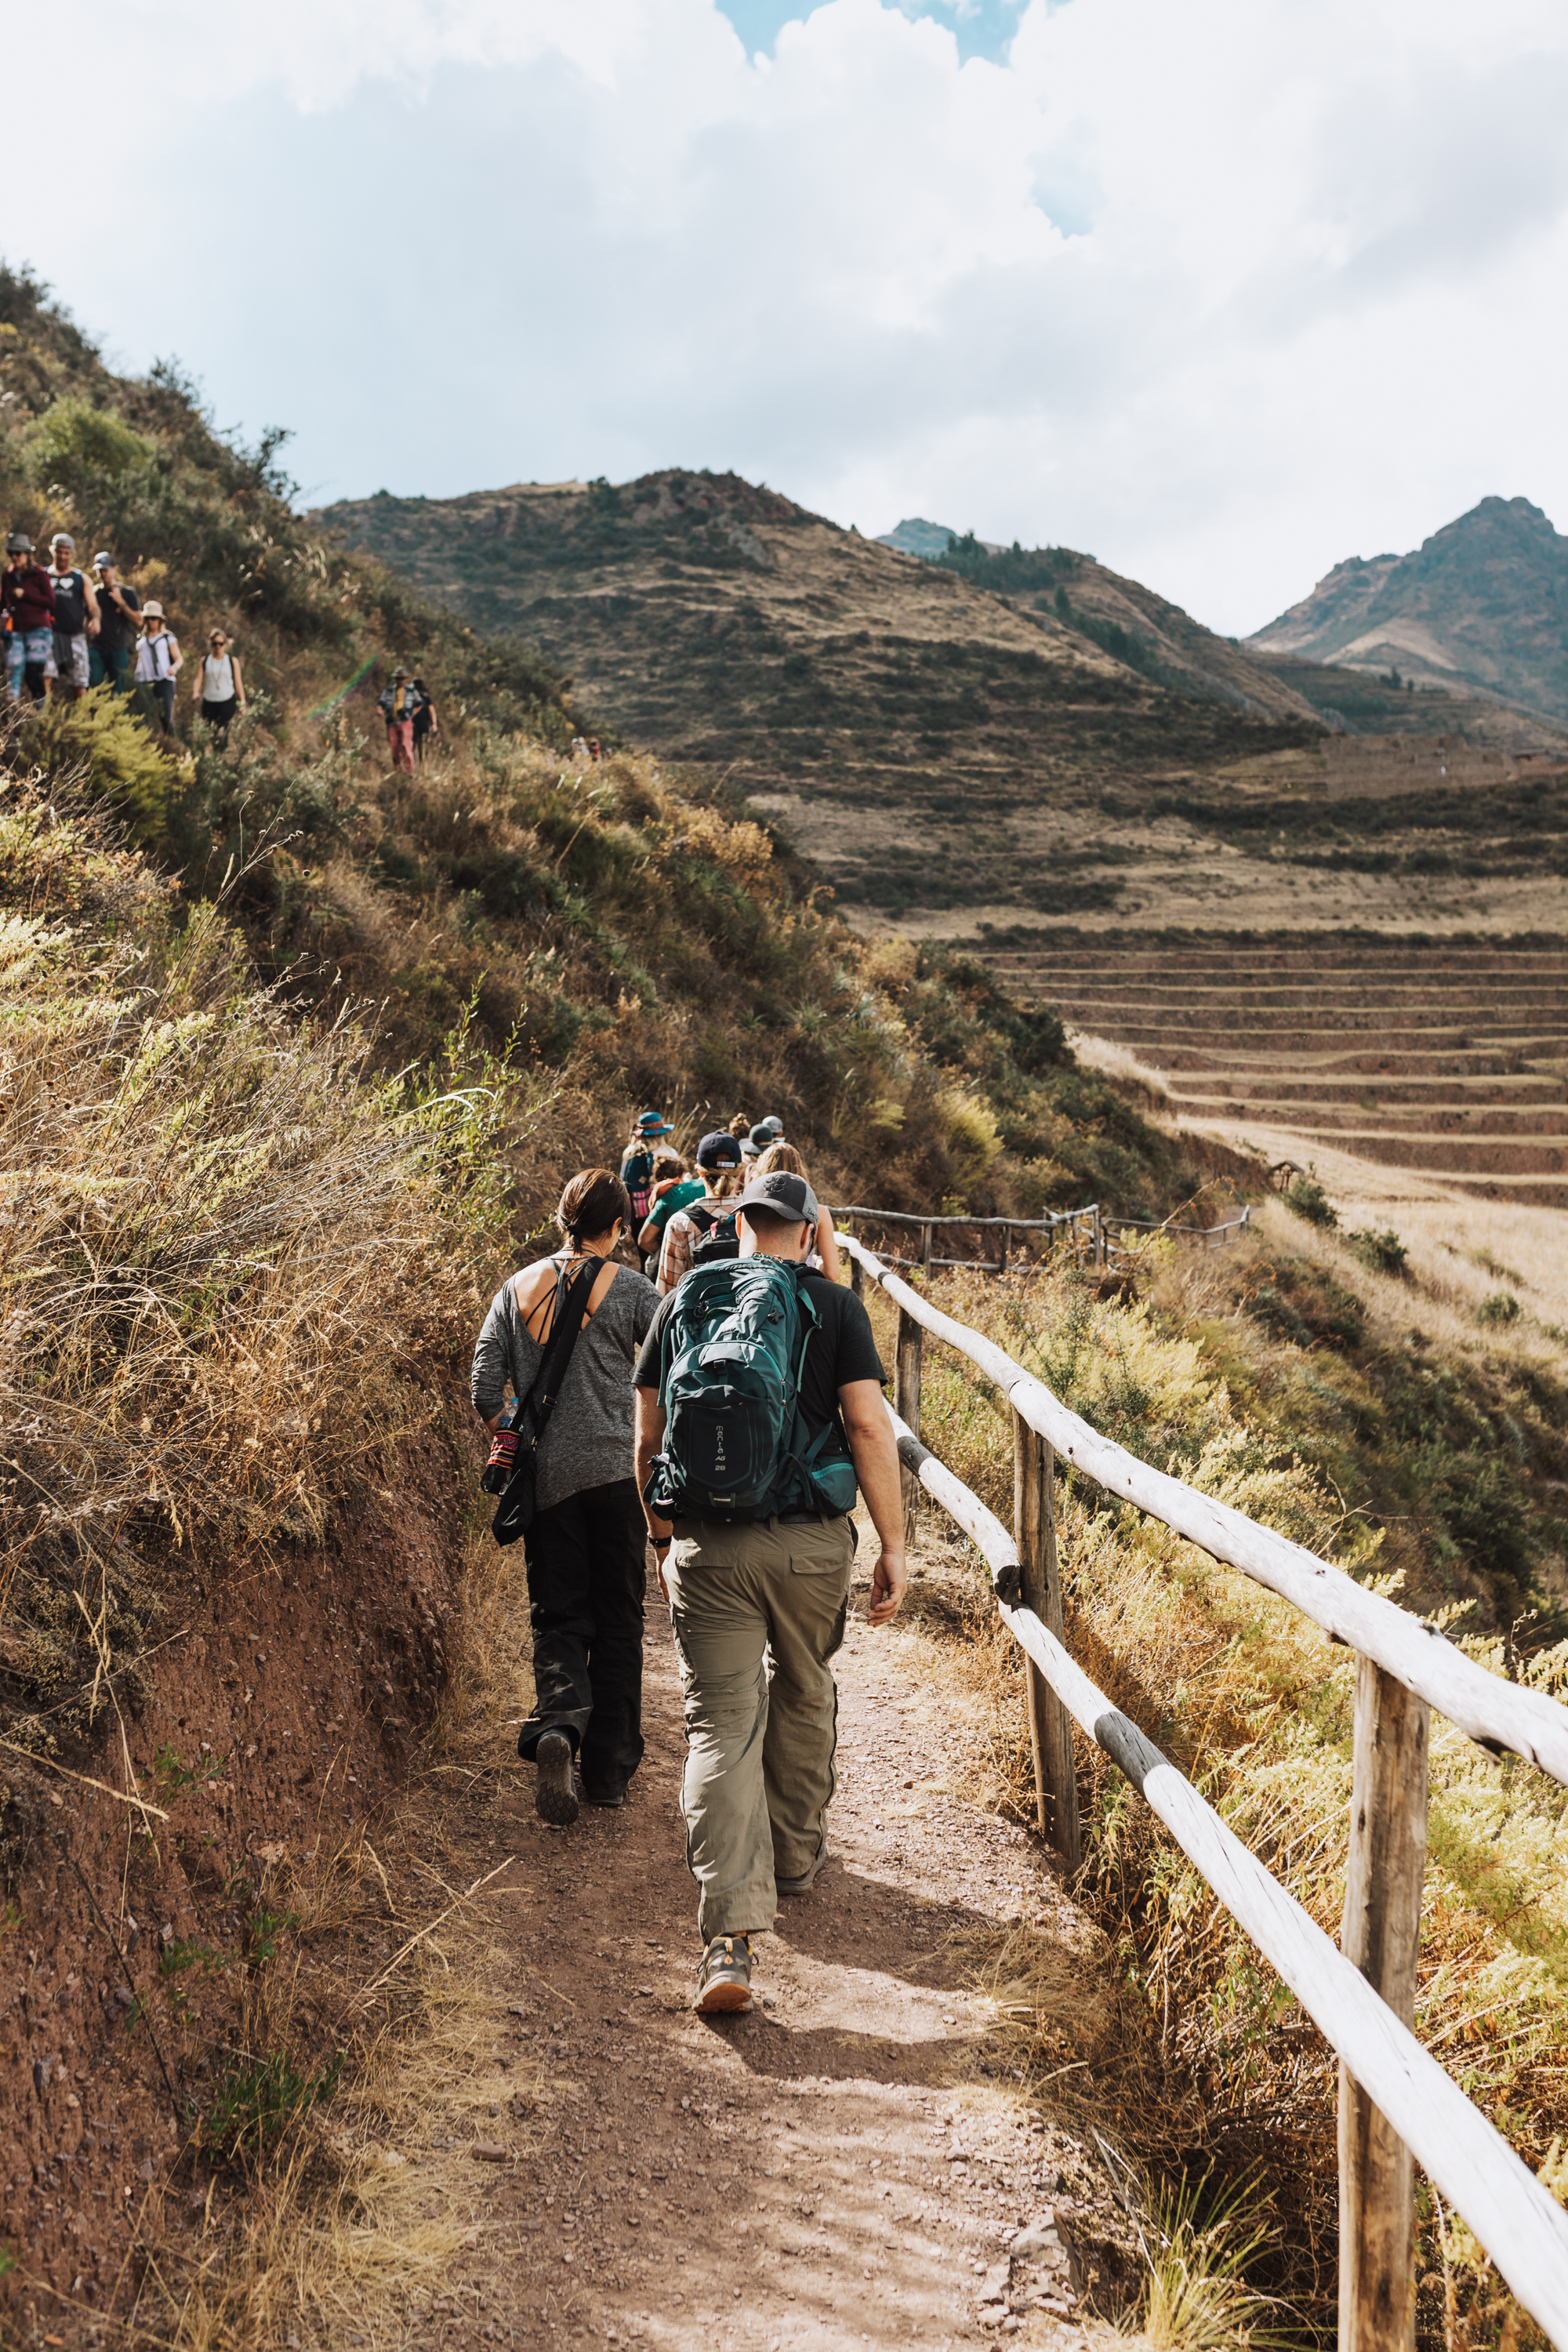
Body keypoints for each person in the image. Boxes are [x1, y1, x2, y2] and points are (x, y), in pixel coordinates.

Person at [633, 1164, 908, 2013]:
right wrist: (893, 1545)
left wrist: (659, 1531)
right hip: (807, 1547)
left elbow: (646, 1429)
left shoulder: (685, 1297)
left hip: (709, 1545)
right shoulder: (834, 1306)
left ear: (741, 1223)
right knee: (804, 1683)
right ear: (805, 1229)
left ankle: (728, 1939)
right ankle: (792, 1857)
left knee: (718, 1722)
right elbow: (865, 1424)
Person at [470, 1170, 660, 1824]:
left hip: (548, 1480)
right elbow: (669, 1364)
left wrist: (512, 1438)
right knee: (618, 1620)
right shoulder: (635, 1290)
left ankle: (558, 1726)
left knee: (558, 1616)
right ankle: (607, 1773)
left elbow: (483, 1384)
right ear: (619, 1229)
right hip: (613, 1476)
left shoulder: (515, 1289)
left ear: (560, 1220)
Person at [656, 1129, 744, 1294]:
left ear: (700, 1172)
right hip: (751, 1317)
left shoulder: (681, 1223)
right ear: (739, 1172)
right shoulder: (755, 1215)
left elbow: (667, 1293)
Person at [752, 1141, 840, 1281]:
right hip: (801, 1287)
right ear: (799, 1168)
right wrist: (818, 1265)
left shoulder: (751, 1208)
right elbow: (832, 1274)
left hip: (757, 1283)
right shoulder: (819, 1212)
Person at [2, 535, 56, 702]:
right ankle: (11, 708)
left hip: (38, 630)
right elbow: (3, 602)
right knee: (14, 668)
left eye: (18, 553)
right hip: (16, 630)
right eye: (12, 553)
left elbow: (51, 602)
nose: (15, 557)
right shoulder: (7, 575)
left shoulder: (39, 575)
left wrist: (26, 595)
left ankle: (41, 712)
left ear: (27, 554)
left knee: (33, 673)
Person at [46, 532, 99, 701]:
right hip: (48, 635)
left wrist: (95, 619)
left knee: (79, 684)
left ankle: (82, 723)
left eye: (66, 553)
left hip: (75, 637)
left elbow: (93, 606)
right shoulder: (42, 576)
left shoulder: (81, 579)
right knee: (45, 678)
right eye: (59, 551)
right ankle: (42, 720)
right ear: (52, 550)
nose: (62, 556)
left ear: (72, 554)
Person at [637, 1149, 703, 1267]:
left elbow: (644, 1241)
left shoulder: (661, 1199)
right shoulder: (694, 1191)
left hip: (672, 1262)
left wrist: (665, 1253)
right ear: (681, 1175)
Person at [88, 554, 140, 694]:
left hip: (118, 649)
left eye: (106, 570)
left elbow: (138, 621)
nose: (102, 573)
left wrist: (121, 603)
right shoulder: (93, 593)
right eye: (99, 570)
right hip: (96, 648)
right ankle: (93, 716)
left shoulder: (127, 592)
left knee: (118, 691)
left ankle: (116, 716)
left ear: (115, 569)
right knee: (93, 686)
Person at [619, 1111, 673, 1231]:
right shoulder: (667, 1153)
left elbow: (622, 1180)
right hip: (662, 1211)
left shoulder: (630, 1152)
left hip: (637, 1211)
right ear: (662, 1134)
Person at [134, 602, 180, 732]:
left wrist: (175, 667)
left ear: (160, 620)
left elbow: (178, 658)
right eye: (147, 618)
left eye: (153, 618)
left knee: (165, 717)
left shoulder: (167, 637)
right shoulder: (141, 639)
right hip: (144, 681)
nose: (150, 621)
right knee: (143, 718)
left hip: (164, 680)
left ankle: (173, 747)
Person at [194, 630, 245, 739]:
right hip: (209, 702)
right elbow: (199, 679)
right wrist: (195, 692)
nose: (218, 646)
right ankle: (212, 753)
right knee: (210, 734)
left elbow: (238, 682)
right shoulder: (205, 661)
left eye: (220, 644)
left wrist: (242, 702)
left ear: (225, 645)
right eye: (215, 644)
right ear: (211, 644)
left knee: (223, 732)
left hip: (227, 702)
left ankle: (221, 752)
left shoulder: (232, 661)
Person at [378, 666, 423, 773]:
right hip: (392, 722)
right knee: (394, 748)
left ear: (406, 679)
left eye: (402, 678)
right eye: (398, 678)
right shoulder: (388, 691)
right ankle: (398, 770)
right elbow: (381, 703)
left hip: (405, 721)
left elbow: (419, 704)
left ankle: (409, 771)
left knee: (406, 745)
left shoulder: (411, 691)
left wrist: (412, 713)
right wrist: (379, 710)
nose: (400, 681)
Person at [412, 675, 439, 763]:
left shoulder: (426, 698)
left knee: (423, 748)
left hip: (423, 725)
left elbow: (432, 711)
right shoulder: (410, 698)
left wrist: (434, 724)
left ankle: (424, 768)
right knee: (411, 746)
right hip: (411, 725)